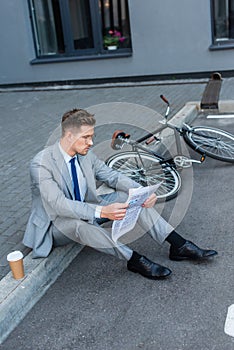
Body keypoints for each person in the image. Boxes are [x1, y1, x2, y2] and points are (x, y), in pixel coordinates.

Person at [23, 109, 218, 280]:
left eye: (92, 136)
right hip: (57, 224)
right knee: (79, 226)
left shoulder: (85, 154)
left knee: (131, 198)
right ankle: (134, 259)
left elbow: (112, 176)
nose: (91, 143)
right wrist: (102, 211)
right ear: (68, 135)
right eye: (86, 138)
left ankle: (178, 245)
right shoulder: (41, 164)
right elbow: (59, 205)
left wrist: (139, 192)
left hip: (89, 209)